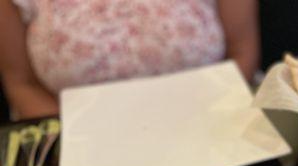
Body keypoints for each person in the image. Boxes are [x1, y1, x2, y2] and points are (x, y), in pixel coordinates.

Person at [0, 0, 259, 120]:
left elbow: (242, 51)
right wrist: (76, 140)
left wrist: (208, 116)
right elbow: (22, 84)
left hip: (211, 123)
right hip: (78, 150)